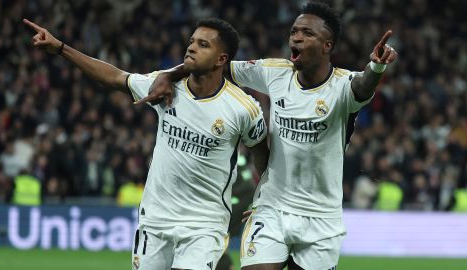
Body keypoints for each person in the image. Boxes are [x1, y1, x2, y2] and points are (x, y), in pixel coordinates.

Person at [140, 2, 398, 269]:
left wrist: (376, 68)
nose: (296, 37)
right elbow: (214, 64)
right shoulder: (275, 71)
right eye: (294, 31)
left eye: (307, 33)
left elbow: (362, 88)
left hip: (321, 218)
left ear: (327, 46)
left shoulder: (342, 86)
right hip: (271, 208)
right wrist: (169, 75)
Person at [24, 17, 269, 270]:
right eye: (192, 41)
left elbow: (262, 154)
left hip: (204, 225)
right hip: (154, 221)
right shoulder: (165, 88)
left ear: (221, 59)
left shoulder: (243, 108)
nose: (192, 47)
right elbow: (116, 77)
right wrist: (62, 48)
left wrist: (265, 199)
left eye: (203, 44)